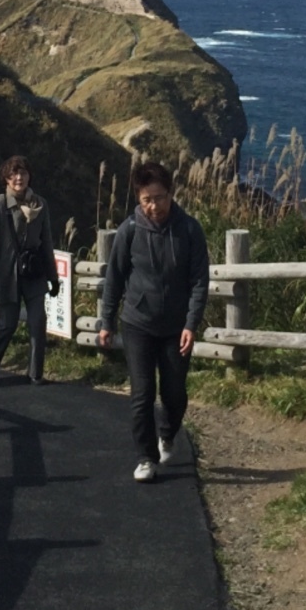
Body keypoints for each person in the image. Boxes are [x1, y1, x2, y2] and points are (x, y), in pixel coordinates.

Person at [98, 159, 210, 482]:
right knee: (141, 394)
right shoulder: (129, 230)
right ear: (138, 198)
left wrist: (191, 323)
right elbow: (114, 279)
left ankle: (168, 433)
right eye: (146, 199)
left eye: (159, 197)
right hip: (137, 323)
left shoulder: (189, 229)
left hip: (176, 327)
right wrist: (107, 321)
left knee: (174, 394)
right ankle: (146, 457)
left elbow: (199, 280)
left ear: (171, 194)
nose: (154, 205)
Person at [0, 155, 59, 384]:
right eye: (14, 174)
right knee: (8, 323)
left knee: (38, 321)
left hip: (34, 273)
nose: (19, 178)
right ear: (6, 178)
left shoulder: (40, 204)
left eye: (23, 173)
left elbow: (47, 242)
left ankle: (35, 373)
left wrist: (53, 277)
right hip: (7, 274)